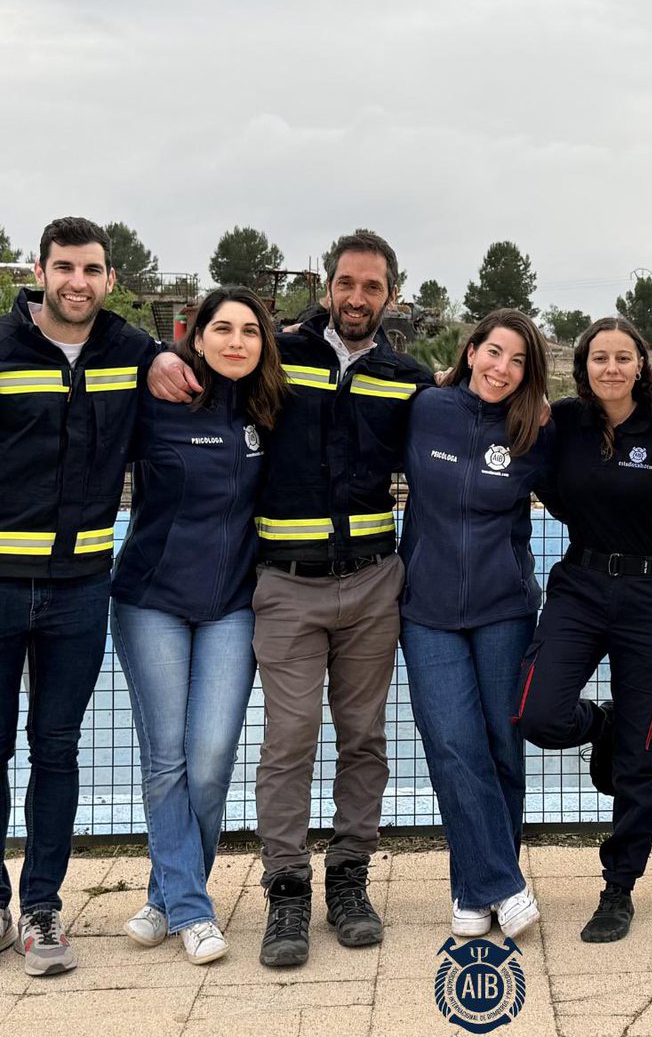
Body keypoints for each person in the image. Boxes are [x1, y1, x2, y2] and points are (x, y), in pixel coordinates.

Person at [149, 229, 435, 968]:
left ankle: (349, 879)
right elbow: (215, 353)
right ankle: (285, 889)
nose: (358, 297)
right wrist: (164, 356)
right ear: (328, 284)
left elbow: (469, 421)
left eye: (373, 287)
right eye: (347, 283)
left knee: (364, 739)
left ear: (391, 295)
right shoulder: (279, 351)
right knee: (288, 742)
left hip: (375, 582)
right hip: (285, 586)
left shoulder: (409, 375)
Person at [111, 286, 287, 965]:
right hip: (150, 599)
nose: (237, 341)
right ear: (198, 335)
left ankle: (164, 895)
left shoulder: (270, 409)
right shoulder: (155, 398)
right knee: (166, 759)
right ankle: (190, 908)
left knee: (210, 758)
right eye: (223, 328)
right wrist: (152, 352)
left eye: (250, 330)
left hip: (232, 605)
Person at [517, 317, 652, 942]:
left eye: (624, 357)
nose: (611, 368)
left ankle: (619, 887)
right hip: (582, 586)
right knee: (537, 713)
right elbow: (509, 410)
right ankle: (595, 722)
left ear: (640, 364)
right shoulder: (564, 423)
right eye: (600, 358)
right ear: (585, 365)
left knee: (640, 752)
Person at [0, 217, 156, 976]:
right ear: (40, 269)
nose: (78, 282)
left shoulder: (131, 352)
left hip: (82, 593)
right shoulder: (1, 350)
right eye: (65, 268)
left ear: (110, 279)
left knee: (56, 751)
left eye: (92, 270)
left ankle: (40, 911)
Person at [399, 309, 553, 940]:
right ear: (470, 351)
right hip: (427, 609)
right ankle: (503, 883)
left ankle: (475, 886)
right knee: (453, 744)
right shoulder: (426, 407)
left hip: (503, 608)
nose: (502, 369)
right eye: (494, 353)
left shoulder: (535, 428)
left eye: (518, 361)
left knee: (501, 748)